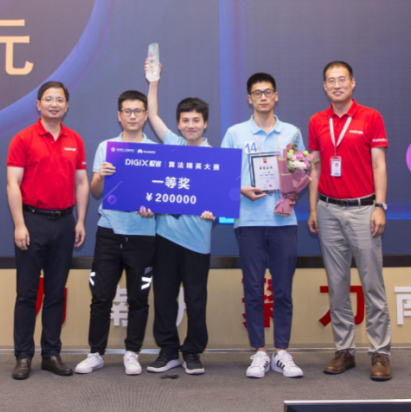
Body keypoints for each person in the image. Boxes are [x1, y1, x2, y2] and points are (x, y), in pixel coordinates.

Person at [307, 61, 392, 381]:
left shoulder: (371, 117)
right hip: (328, 210)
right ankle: (344, 350)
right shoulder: (317, 121)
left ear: (353, 83)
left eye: (342, 79)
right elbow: (314, 167)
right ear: (324, 86)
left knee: (372, 285)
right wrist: (313, 209)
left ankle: (380, 352)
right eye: (331, 80)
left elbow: (379, 165)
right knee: (337, 285)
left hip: (363, 210)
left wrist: (380, 206)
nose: (337, 85)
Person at [221, 73, 306, 379]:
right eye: (257, 93)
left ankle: (281, 352)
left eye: (268, 92)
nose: (263, 97)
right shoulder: (235, 133)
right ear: (249, 98)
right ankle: (258, 352)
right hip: (249, 222)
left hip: (283, 220)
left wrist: (293, 191)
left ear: (276, 96)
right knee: (253, 289)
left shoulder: (292, 133)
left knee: (282, 290)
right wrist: (241, 188)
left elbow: (300, 173)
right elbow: (223, 177)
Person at [6, 81, 89, 380]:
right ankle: (23, 356)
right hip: (32, 222)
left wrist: (80, 221)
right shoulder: (23, 138)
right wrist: (19, 224)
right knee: (27, 294)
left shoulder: (75, 140)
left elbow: (82, 183)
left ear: (67, 105)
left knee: (55, 293)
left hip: (64, 223)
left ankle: (51, 354)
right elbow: (13, 183)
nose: (54, 104)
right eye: (49, 99)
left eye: (60, 100)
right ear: (38, 104)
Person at [75, 90, 157, 376]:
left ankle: (132, 353)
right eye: (127, 111)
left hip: (143, 235)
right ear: (119, 116)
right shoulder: (106, 147)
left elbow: (159, 195)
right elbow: (96, 190)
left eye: (138, 111)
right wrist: (100, 175)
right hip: (109, 232)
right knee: (101, 296)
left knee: (138, 298)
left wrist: (153, 209)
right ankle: (96, 353)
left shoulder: (155, 150)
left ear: (146, 115)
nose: (132, 116)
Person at [141, 60, 216, 375]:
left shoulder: (215, 157)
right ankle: (168, 350)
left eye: (196, 120)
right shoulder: (171, 144)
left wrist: (215, 211)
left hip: (197, 240)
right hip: (166, 237)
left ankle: (193, 351)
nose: (190, 125)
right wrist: (153, 80)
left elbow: (222, 200)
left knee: (196, 299)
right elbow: (152, 115)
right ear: (179, 124)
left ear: (205, 124)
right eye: (185, 120)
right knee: (164, 296)